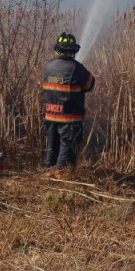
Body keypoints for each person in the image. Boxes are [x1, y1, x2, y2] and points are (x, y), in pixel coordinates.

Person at [42, 32, 95, 174]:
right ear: (73, 50)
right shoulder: (76, 68)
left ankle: (49, 171)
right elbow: (89, 84)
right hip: (69, 118)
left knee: (53, 145)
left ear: (58, 48)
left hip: (51, 115)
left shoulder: (48, 66)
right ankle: (62, 175)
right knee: (68, 146)